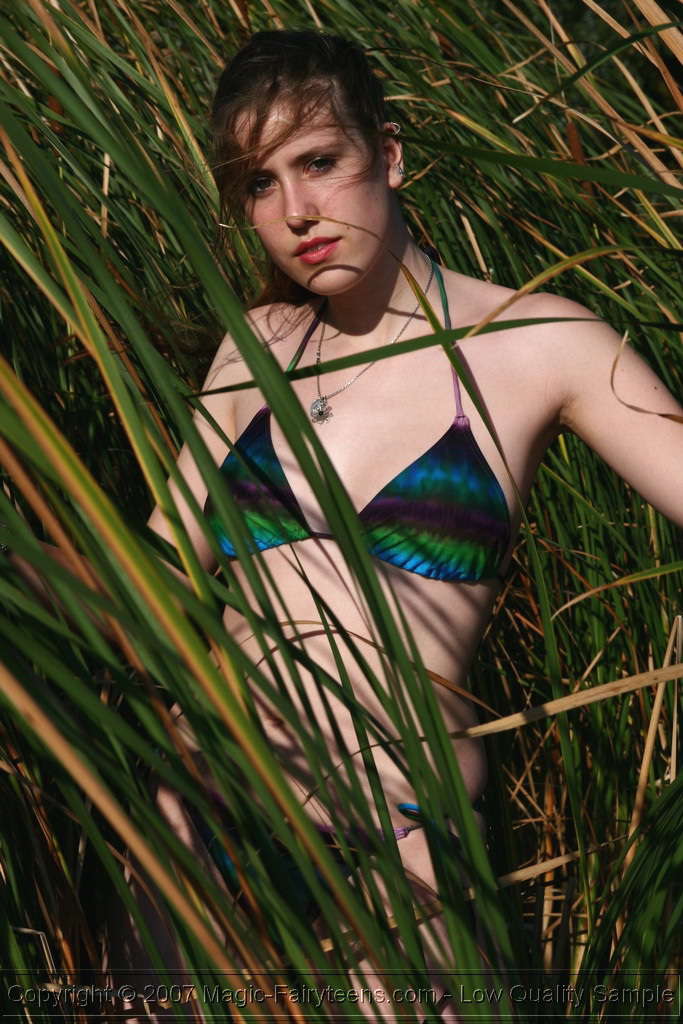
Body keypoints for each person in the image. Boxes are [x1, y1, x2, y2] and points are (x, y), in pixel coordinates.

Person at [19, 27, 683, 1024]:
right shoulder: (255, 349)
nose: (294, 211)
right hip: (207, 829)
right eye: (259, 183)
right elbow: (150, 586)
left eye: (319, 161)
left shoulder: (536, 341)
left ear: (390, 152)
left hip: (402, 854)